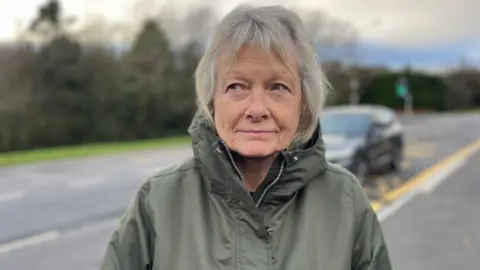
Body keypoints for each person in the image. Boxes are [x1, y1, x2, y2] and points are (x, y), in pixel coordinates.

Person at [100, 5, 392, 270]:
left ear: (303, 102)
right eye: (237, 86)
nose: (256, 109)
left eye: (277, 87)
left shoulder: (345, 200)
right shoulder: (158, 200)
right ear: (212, 100)